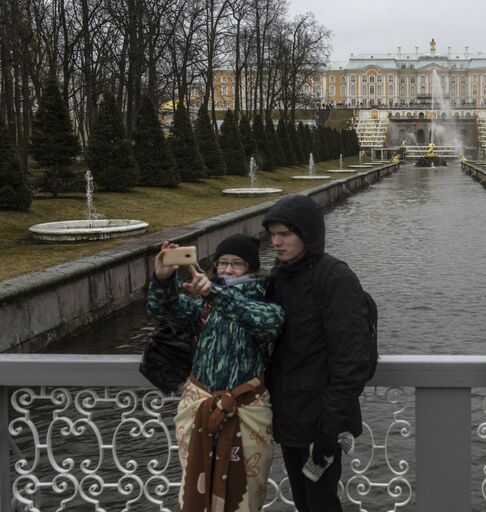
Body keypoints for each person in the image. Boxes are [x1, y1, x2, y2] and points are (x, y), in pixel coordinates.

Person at [147, 234, 284, 512]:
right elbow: (163, 309)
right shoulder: (202, 306)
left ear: (252, 269)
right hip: (200, 408)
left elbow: (259, 320)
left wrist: (214, 293)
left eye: (237, 264)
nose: (227, 270)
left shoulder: (268, 305)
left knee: (246, 495)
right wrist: (163, 279)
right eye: (222, 263)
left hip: (247, 414)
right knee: (196, 491)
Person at [262, 194, 370, 512]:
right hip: (290, 416)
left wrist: (329, 428)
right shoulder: (280, 275)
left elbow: (352, 359)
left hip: (321, 421)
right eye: (273, 234)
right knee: (304, 501)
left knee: (322, 504)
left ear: (307, 235)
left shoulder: (334, 277)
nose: (276, 242)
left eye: (285, 234)